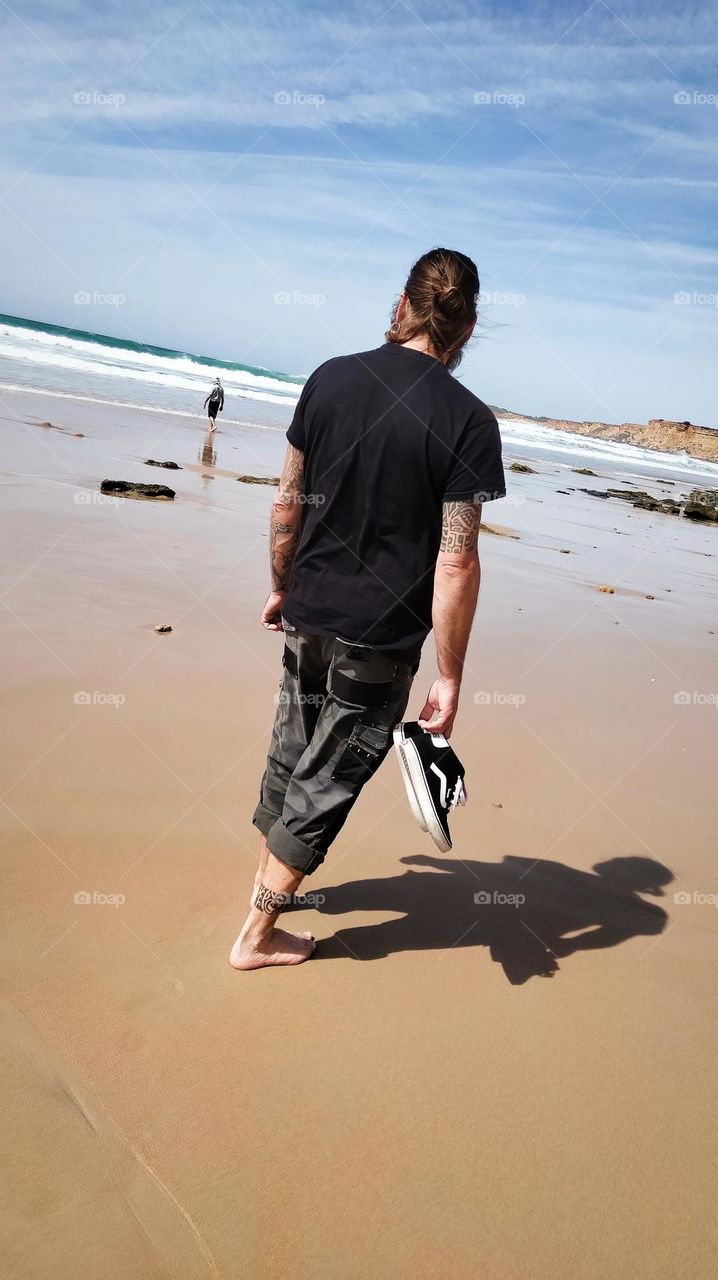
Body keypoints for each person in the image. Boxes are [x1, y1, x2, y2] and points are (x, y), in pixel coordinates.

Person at [230, 247, 506, 970]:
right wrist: (449, 676)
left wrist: (281, 585)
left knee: (292, 758)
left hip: (309, 613)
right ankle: (256, 937)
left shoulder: (331, 378)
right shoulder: (469, 421)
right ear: (468, 326)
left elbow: (288, 500)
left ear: (402, 304)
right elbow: (456, 560)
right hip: (379, 640)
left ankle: (268, 892)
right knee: (326, 783)